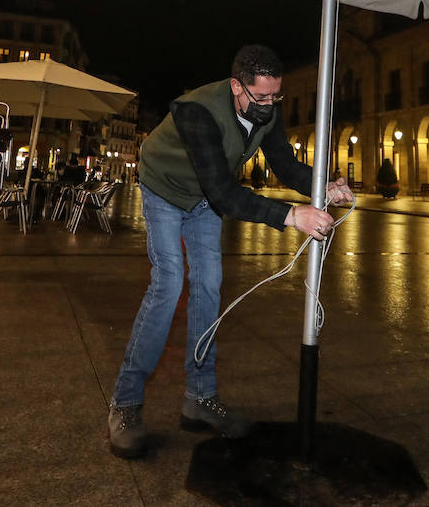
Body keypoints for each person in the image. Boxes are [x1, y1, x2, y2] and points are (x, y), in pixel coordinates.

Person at [108, 45, 349, 460]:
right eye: (261, 97)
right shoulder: (196, 111)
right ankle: (125, 404)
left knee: (210, 287)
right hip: (165, 189)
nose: (270, 105)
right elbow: (224, 192)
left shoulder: (266, 108)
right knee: (168, 285)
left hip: (205, 199)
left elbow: (285, 165)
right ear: (236, 85)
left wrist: (325, 184)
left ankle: (200, 398)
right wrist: (292, 216)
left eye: (276, 96)